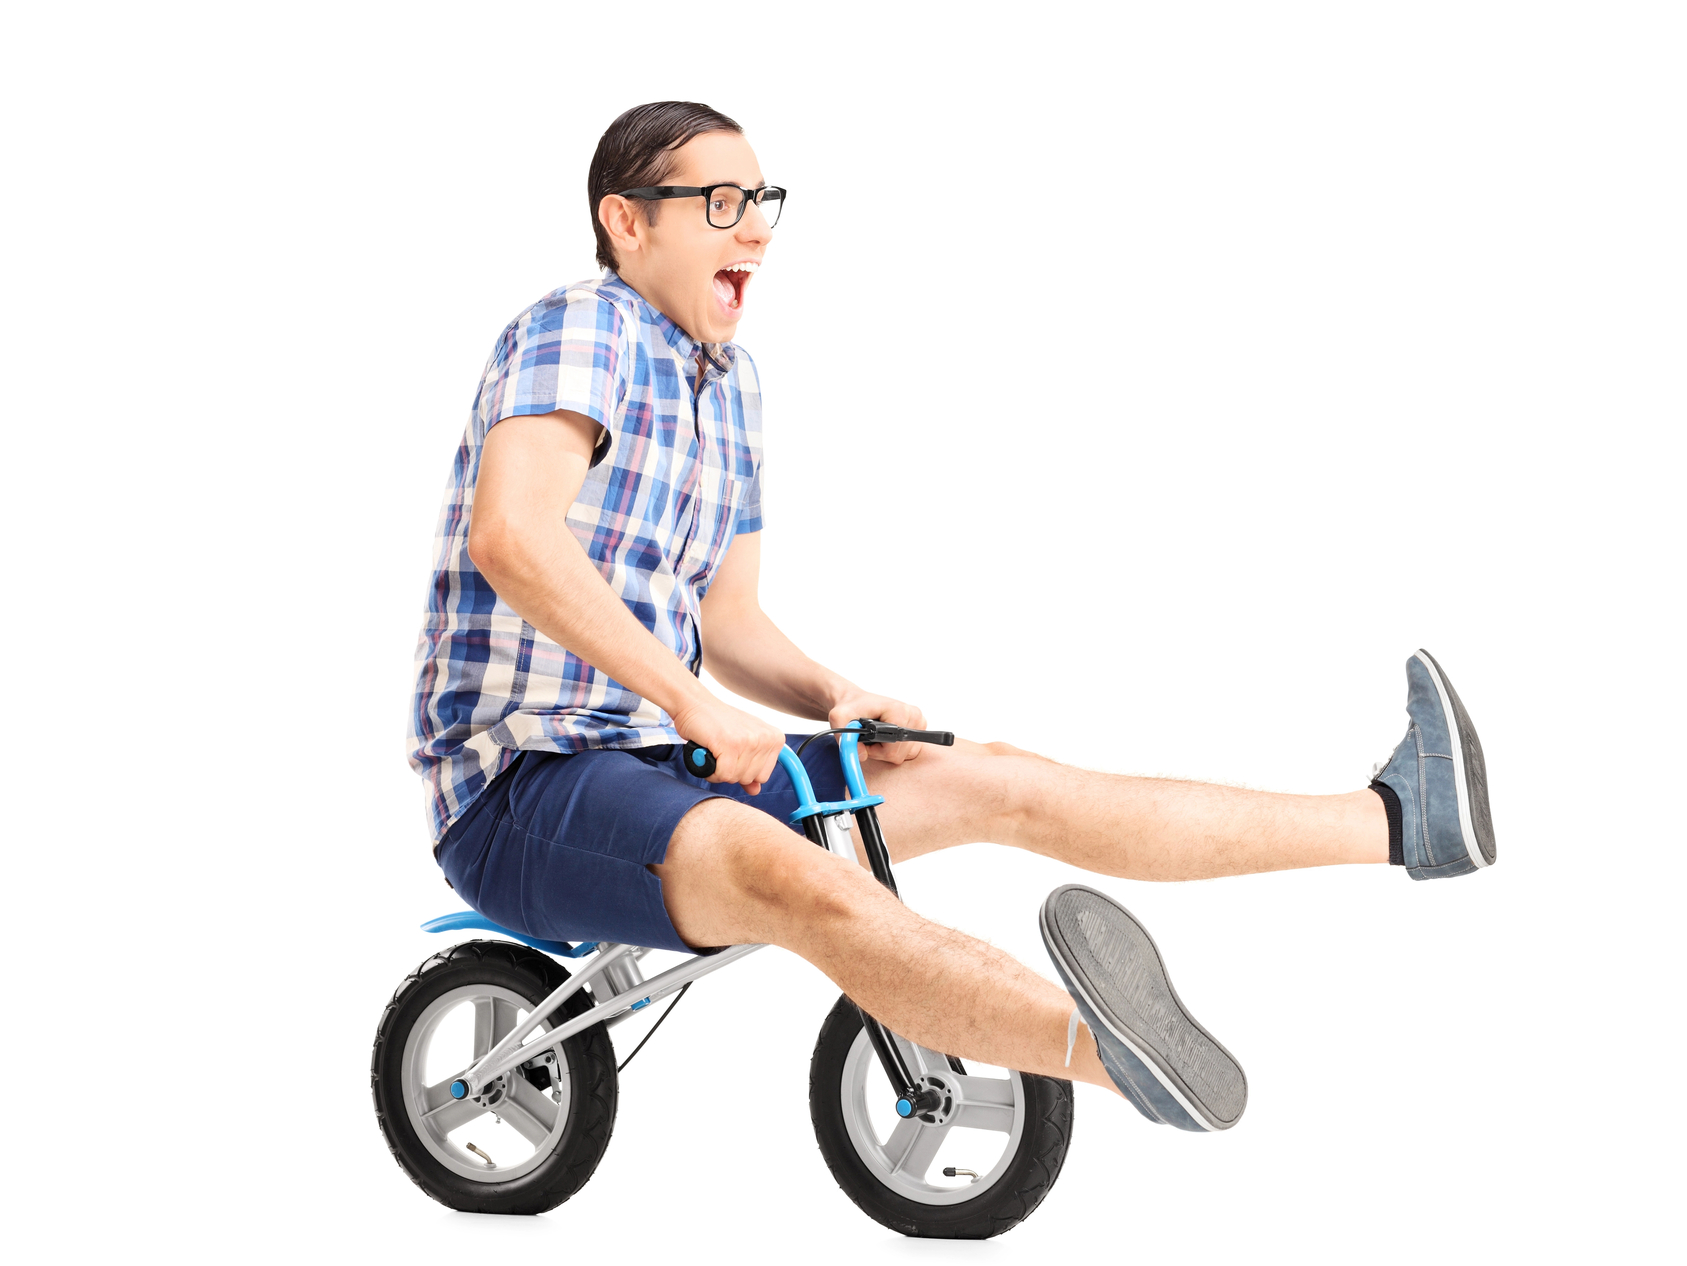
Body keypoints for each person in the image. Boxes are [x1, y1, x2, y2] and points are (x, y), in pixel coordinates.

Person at [410, 101, 1497, 1134]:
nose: (754, 233)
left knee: (992, 776)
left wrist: (832, 696)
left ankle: (1396, 821)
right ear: (627, 219)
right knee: (795, 875)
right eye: (719, 204)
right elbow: (512, 537)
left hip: (666, 757)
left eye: (762, 202)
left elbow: (729, 621)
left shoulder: (731, 385)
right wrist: (694, 703)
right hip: (525, 784)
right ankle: (1103, 1050)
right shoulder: (580, 327)